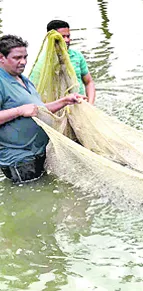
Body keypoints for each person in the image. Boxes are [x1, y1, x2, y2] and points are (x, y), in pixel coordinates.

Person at [0, 35, 84, 183]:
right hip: (19, 160)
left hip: (38, 152)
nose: (23, 62)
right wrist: (19, 111)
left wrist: (65, 101)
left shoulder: (22, 78)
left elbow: (38, 109)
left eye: (25, 57)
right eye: (17, 58)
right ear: (2, 58)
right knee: (29, 202)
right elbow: (24, 110)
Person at [31, 20, 96, 105]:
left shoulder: (77, 56)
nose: (67, 40)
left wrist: (90, 104)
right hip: (57, 107)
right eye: (62, 37)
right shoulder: (42, 62)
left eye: (68, 36)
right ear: (51, 38)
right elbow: (34, 90)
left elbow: (89, 82)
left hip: (79, 104)